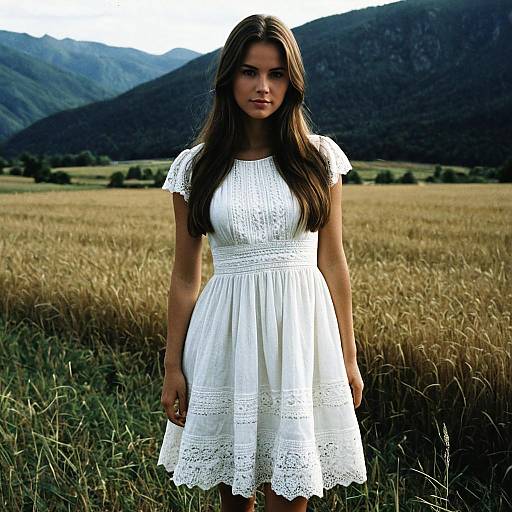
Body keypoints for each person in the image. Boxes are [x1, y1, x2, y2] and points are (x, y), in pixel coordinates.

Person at [157, 13, 367, 512]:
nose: (262, 87)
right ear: (229, 76)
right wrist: (172, 366)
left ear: (291, 83)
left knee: (290, 495)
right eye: (250, 72)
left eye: (276, 75)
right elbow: (186, 276)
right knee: (234, 500)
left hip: (301, 336)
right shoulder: (196, 166)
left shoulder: (318, 158)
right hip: (227, 336)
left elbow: (333, 262)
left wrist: (349, 354)